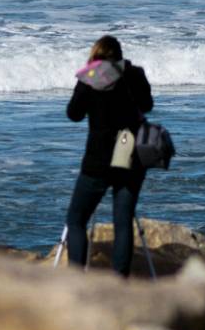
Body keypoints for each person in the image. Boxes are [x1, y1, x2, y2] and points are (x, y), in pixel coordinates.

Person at [64, 35, 154, 276]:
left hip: (98, 159)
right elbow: (147, 106)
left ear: (96, 55)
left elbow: (73, 114)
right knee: (122, 220)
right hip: (131, 154)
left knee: (76, 219)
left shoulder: (90, 78)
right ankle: (119, 280)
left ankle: (75, 277)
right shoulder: (135, 73)